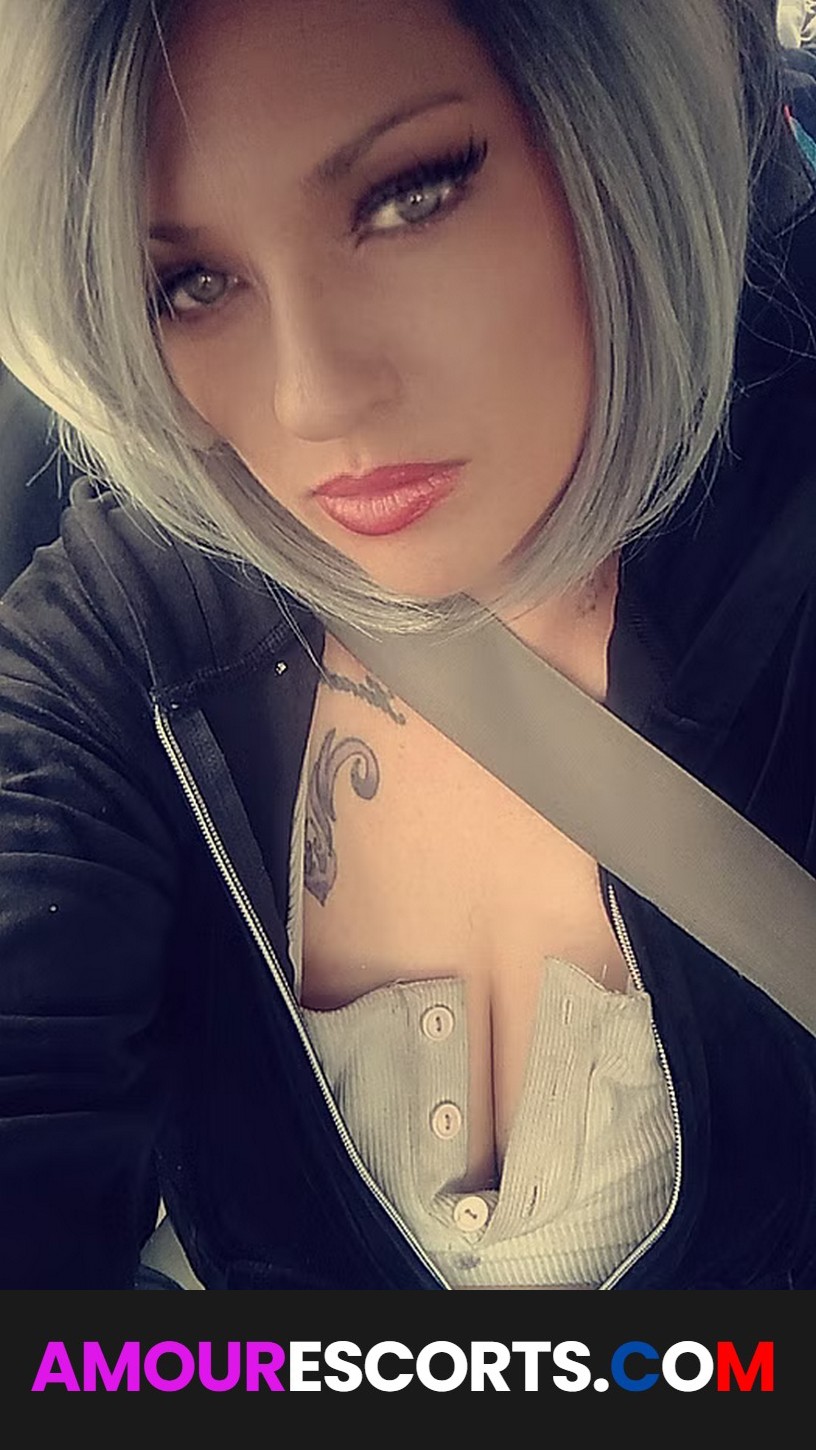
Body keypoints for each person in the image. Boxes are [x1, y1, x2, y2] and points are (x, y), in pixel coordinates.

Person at [0, 0, 814, 1293]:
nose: (312, 395)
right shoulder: (133, 617)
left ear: (607, 131)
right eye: (194, 283)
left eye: (410, 196)